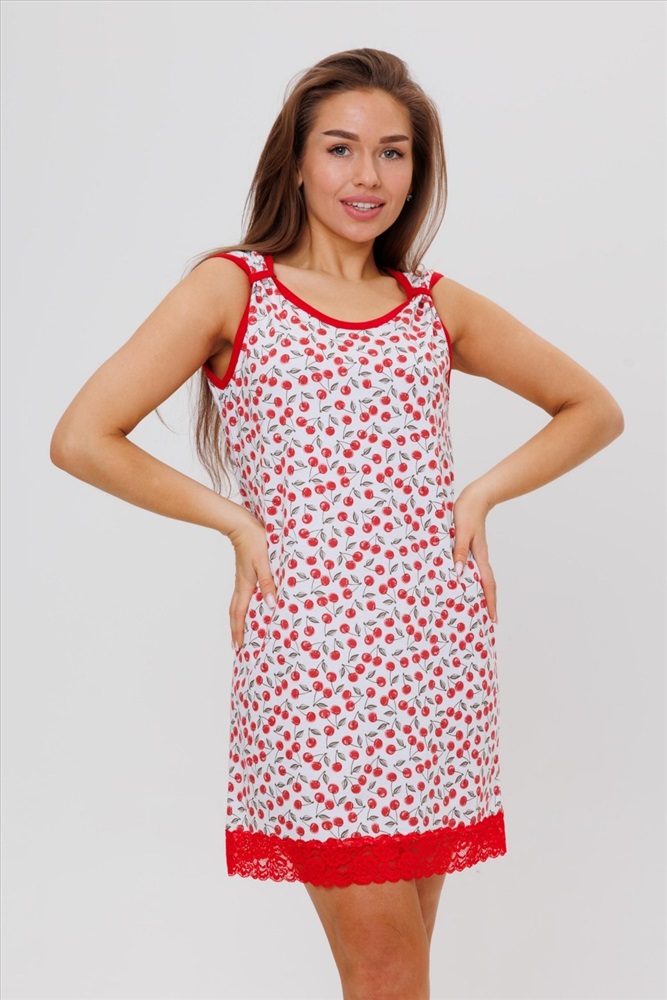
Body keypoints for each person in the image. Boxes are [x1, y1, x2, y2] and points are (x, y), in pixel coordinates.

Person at [50, 47, 623, 1000]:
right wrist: (237, 525)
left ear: (417, 171)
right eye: (341, 148)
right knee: (386, 964)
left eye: (393, 152)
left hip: (434, 650)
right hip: (313, 659)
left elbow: (592, 409)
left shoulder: (431, 305)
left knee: (401, 967)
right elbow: (82, 438)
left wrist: (477, 496)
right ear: (296, 162)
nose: (368, 176)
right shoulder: (233, 288)